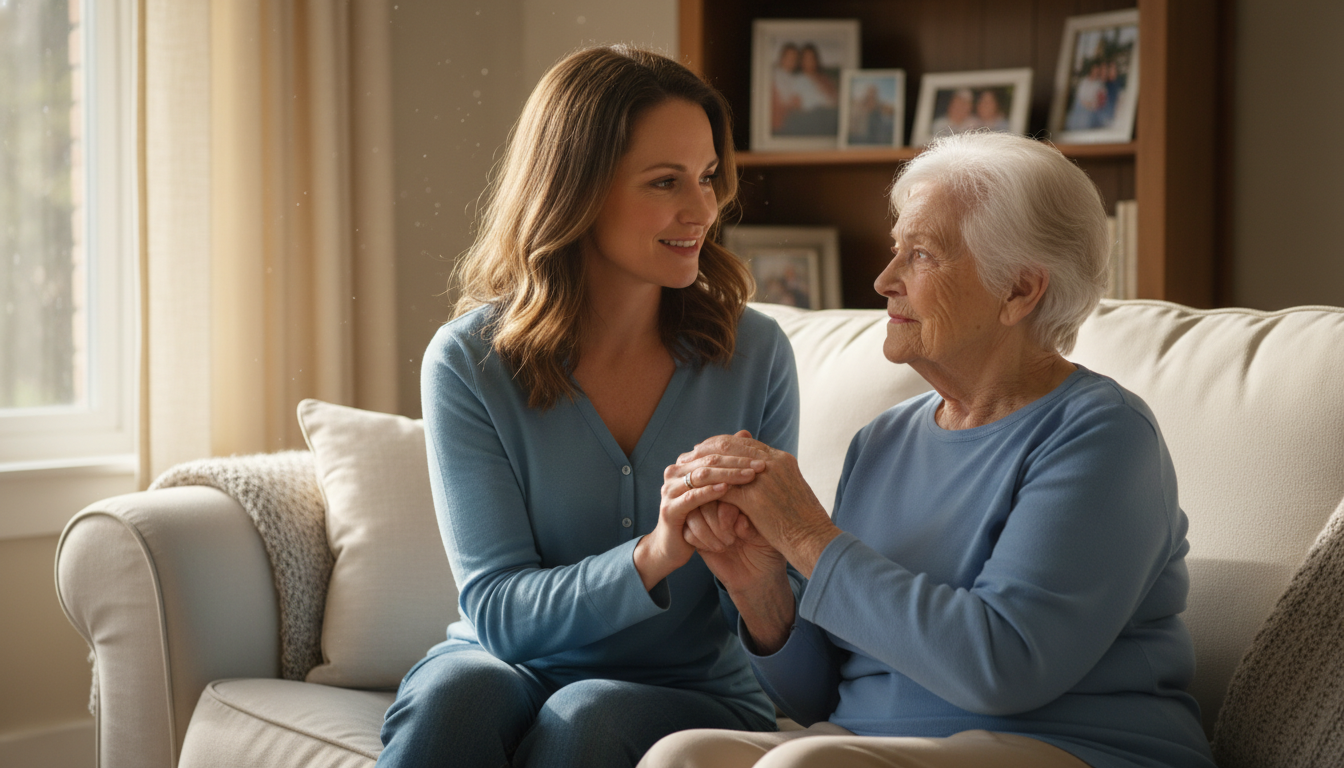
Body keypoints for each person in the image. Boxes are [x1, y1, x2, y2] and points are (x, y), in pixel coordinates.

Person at [640, 132, 1217, 768]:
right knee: (681, 756)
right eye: (896, 252)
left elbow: (1004, 668)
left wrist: (807, 536)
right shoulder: (882, 441)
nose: (885, 280)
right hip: (873, 746)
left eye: (921, 255)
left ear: (1019, 291)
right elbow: (823, 695)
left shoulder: (1102, 436)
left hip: (1077, 748)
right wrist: (761, 589)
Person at [376, 45, 803, 768]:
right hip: (503, 663)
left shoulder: (756, 355)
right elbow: (499, 611)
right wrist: (656, 554)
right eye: (666, 182)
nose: (702, 210)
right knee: (457, 697)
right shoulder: (468, 361)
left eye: (706, 179)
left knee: (588, 716)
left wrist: (760, 576)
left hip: (694, 687)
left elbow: (772, 632)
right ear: (576, 189)